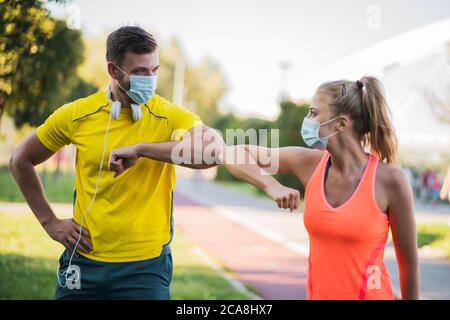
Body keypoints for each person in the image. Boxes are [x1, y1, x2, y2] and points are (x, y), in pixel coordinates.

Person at [9, 26, 299, 300]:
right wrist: (50, 223)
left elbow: (210, 153)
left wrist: (144, 149)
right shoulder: (76, 114)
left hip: (145, 269)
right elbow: (20, 159)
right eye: (139, 72)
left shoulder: (169, 115)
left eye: (154, 70)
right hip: (82, 260)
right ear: (113, 69)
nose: (149, 78)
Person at [191, 76, 419, 299]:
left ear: (341, 124)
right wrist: (271, 186)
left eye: (313, 113)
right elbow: (234, 154)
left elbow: (408, 262)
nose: (307, 119)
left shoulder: (390, 180)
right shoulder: (310, 163)